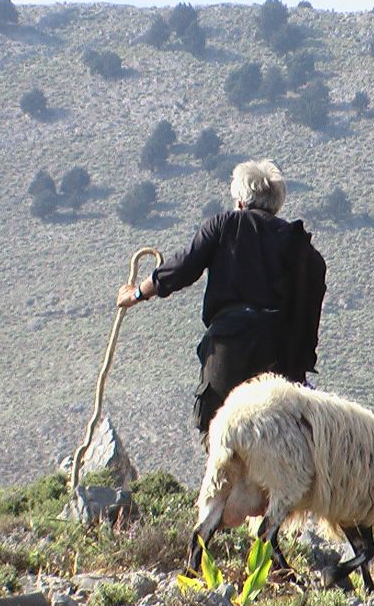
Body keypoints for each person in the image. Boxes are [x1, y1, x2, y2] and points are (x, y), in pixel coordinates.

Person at [117, 159, 326, 450]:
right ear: (277, 204)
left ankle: (220, 493)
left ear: (240, 200)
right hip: (282, 359)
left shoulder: (226, 224)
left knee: (219, 441)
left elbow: (182, 268)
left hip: (229, 351)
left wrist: (138, 292)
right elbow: (310, 315)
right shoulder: (305, 251)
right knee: (279, 449)